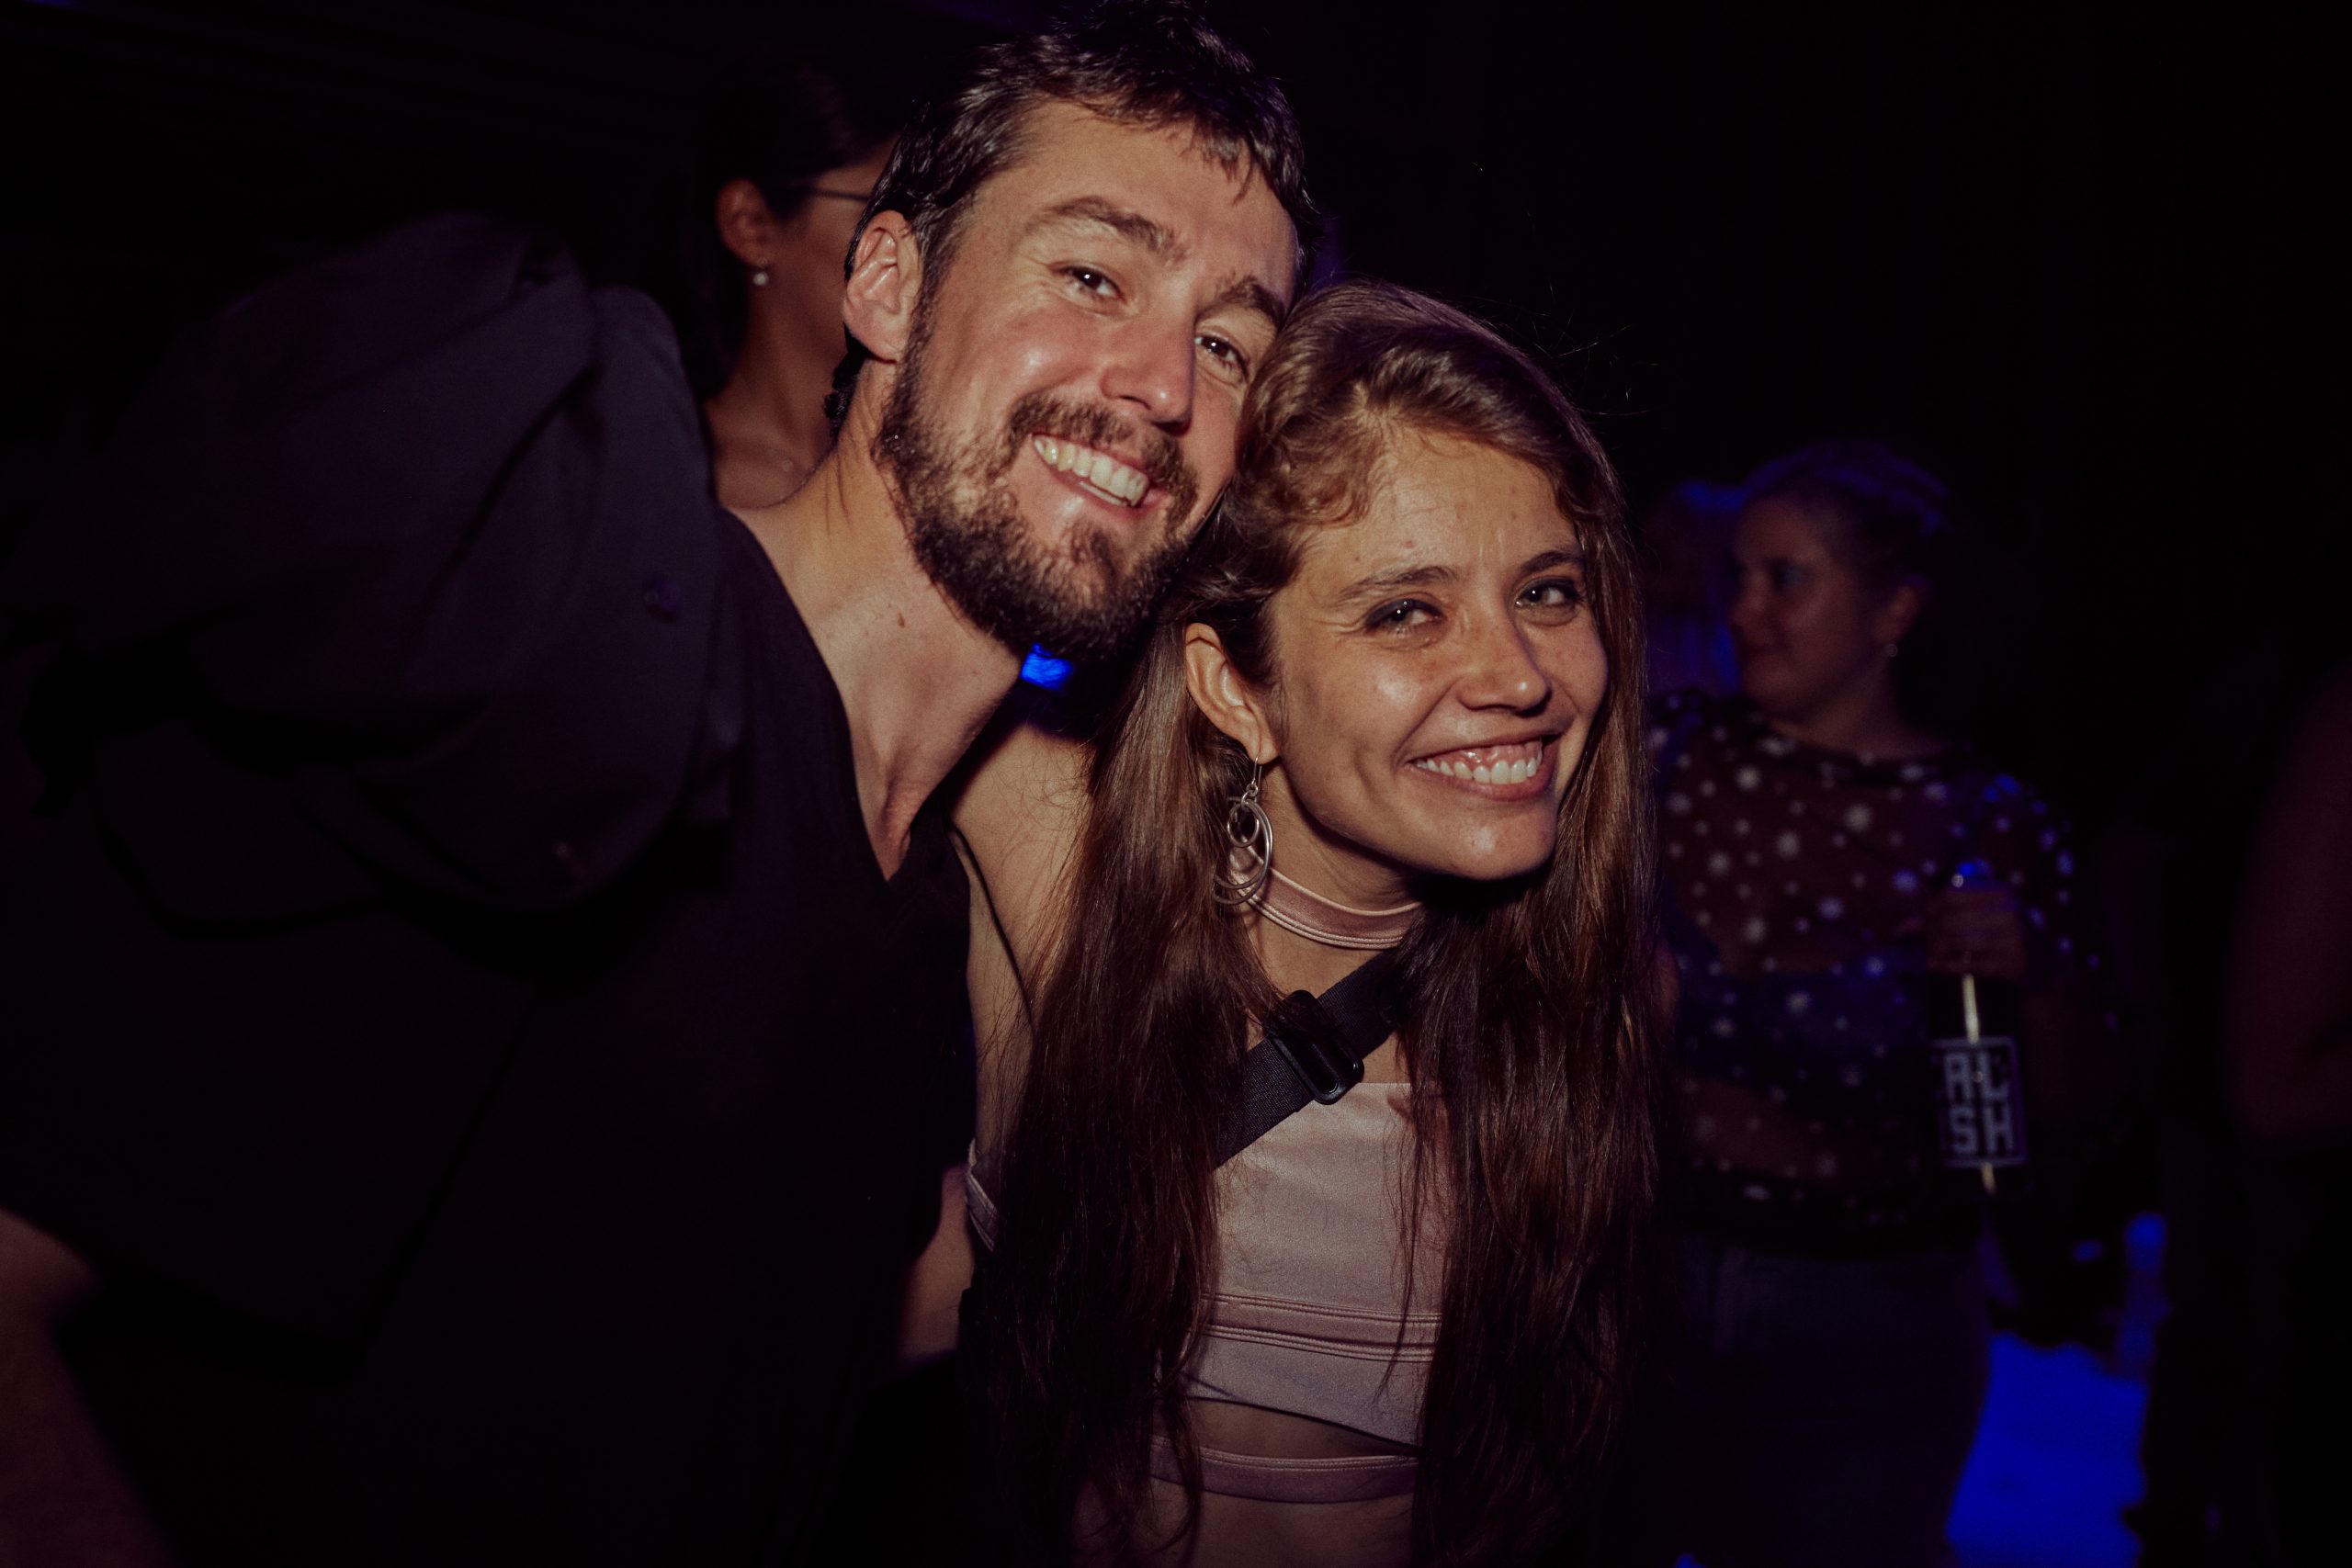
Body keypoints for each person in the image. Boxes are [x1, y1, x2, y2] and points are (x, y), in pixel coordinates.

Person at [0, 4, 1310, 1562]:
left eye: (1228, 343)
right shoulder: (551, 663)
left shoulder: (920, 905)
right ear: (887, 285)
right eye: (1092, 274)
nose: (1163, 387)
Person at [943, 280, 1659, 1567]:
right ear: (1235, 687)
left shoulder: (1586, 1005)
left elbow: (1546, 1463)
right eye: (1406, 610)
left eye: (1549, 591)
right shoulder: (1050, 852)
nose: (1520, 676)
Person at [1634, 440, 2123, 1568]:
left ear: (1893, 612)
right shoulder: (1664, 758)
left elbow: (2081, 1108)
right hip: (1637, 1274)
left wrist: (2035, 976)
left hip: (1869, 1313)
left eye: (1785, 580)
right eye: (1738, 576)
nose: (1742, 611)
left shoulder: (1985, 822)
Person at [676, 45, 916, 510]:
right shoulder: (658, 470)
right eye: (877, 210)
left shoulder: (919, 471)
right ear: (750, 225)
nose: (912, 248)